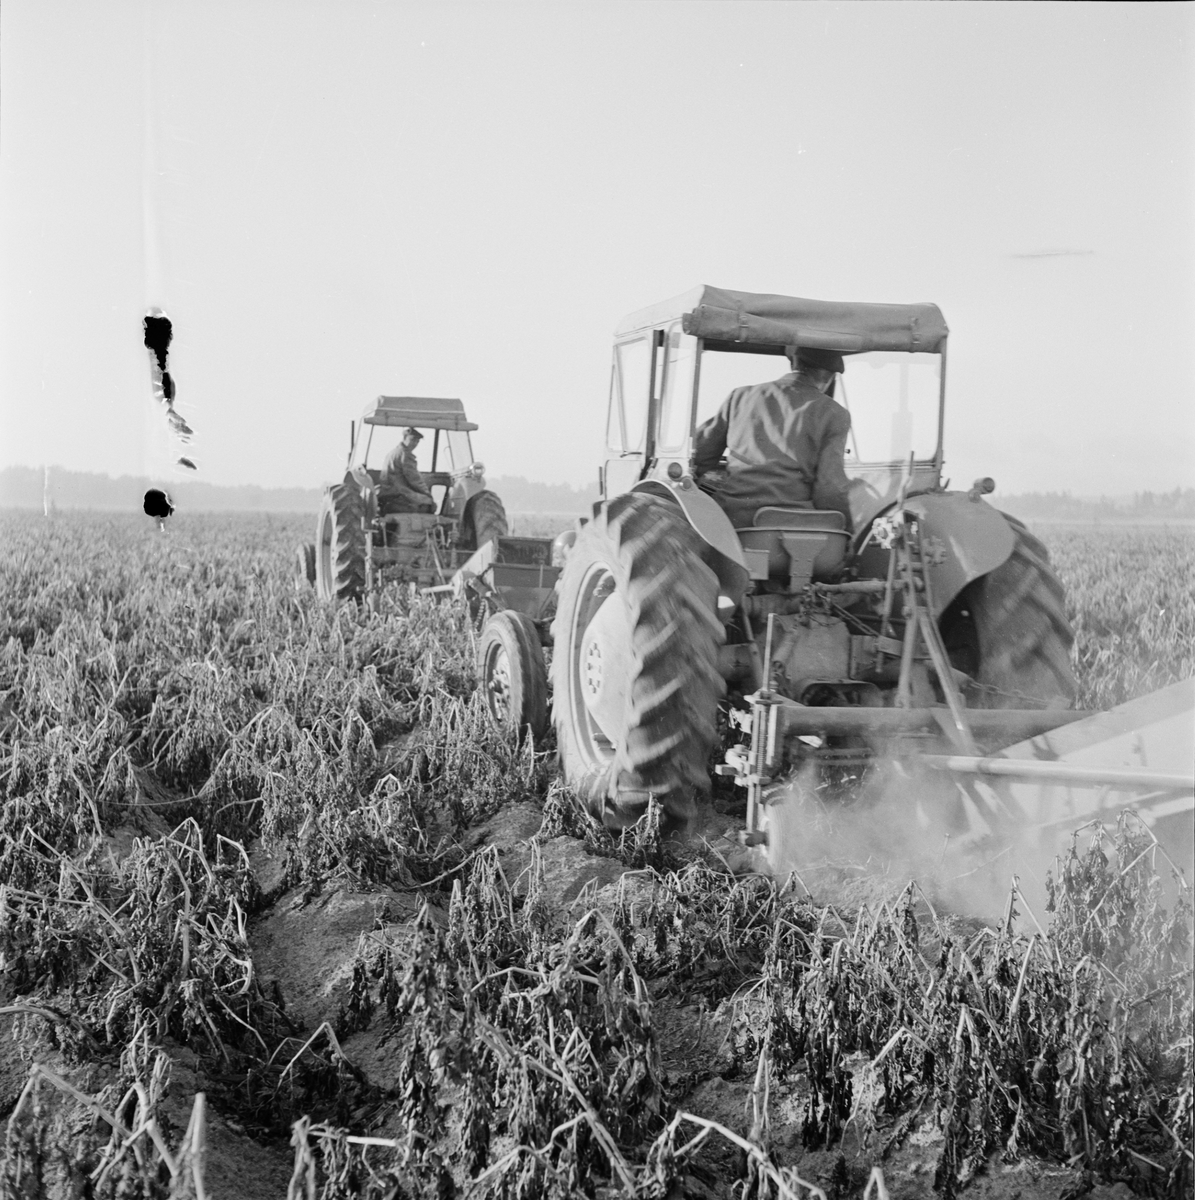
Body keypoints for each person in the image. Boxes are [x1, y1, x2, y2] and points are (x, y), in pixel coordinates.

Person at [691, 346, 853, 530]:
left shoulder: (740, 397)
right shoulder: (834, 413)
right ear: (830, 377)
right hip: (793, 527)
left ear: (794, 362)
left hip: (731, 524)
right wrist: (846, 530)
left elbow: (700, 455)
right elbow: (830, 487)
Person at [380, 427, 437, 514]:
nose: (415, 444)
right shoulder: (405, 454)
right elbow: (414, 479)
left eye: (417, 441)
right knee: (429, 503)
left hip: (387, 492)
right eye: (412, 440)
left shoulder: (392, 453)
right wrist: (427, 494)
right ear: (404, 438)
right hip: (399, 493)